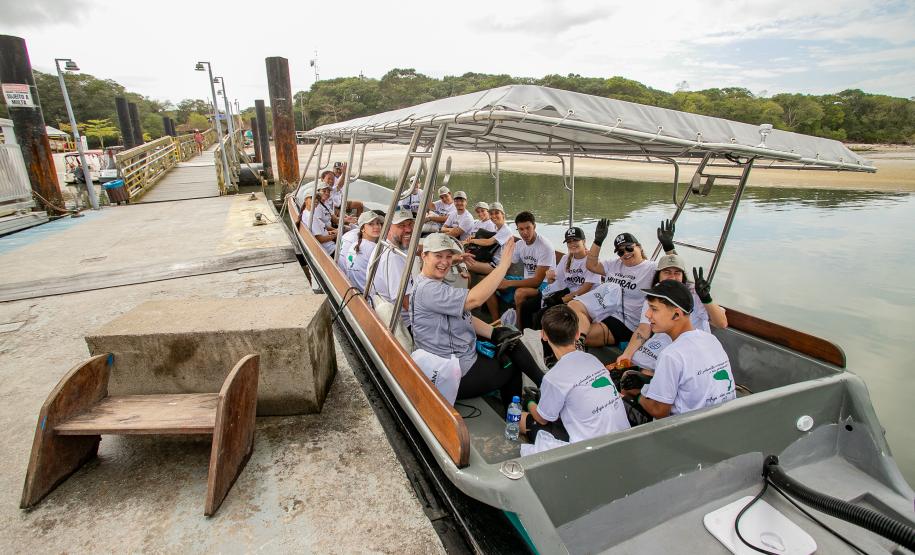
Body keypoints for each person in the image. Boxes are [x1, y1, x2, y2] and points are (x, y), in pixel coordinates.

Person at [410, 233, 544, 408]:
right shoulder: (428, 290)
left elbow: (465, 316)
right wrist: (502, 266)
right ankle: (516, 416)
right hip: (451, 372)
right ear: (424, 255)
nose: (444, 262)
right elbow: (474, 300)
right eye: (438, 256)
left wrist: (494, 332)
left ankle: (544, 384)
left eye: (448, 256)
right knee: (512, 366)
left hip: (456, 355)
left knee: (509, 339)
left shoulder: (430, 282)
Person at [519, 305, 630, 455]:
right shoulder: (593, 359)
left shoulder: (554, 377)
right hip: (623, 438)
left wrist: (529, 401)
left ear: (544, 335)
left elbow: (543, 419)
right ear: (577, 334)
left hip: (589, 450)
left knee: (519, 418)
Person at [620, 280, 736, 419]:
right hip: (722, 418)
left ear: (676, 314)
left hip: (686, 430)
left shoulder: (671, 355)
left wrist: (637, 394)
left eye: (654, 309)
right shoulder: (711, 339)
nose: (647, 314)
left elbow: (659, 411)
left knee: (617, 400)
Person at [569, 219, 676, 347]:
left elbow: (675, 269)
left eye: (629, 248)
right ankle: (578, 341)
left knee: (569, 334)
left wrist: (668, 247)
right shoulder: (614, 264)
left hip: (625, 322)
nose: (626, 253)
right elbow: (591, 265)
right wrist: (598, 241)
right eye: (621, 252)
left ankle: (579, 342)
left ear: (639, 247)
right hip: (604, 309)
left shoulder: (651, 269)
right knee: (572, 305)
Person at [617, 255, 728, 369]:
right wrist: (627, 355)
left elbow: (722, 323)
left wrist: (706, 298)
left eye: (677, 273)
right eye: (667, 272)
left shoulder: (696, 293)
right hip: (664, 340)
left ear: (682, 276)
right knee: (641, 365)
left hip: (692, 347)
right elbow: (643, 329)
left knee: (656, 370)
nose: (672, 277)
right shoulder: (655, 293)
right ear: (658, 275)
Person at [498, 211, 555, 330]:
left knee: (520, 293)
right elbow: (508, 264)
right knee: (493, 284)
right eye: (521, 229)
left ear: (534, 226)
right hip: (527, 280)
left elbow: (536, 282)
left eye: (528, 228)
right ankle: (498, 324)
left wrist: (508, 283)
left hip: (545, 284)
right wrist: (500, 276)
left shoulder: (544, 246)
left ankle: (519, 329)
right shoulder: (520, 244)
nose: (525, 232)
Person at [464, 202, 514, 321]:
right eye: (491, 213)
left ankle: (466, 303)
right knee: (476, 275)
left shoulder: (506, 230)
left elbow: (489, 242)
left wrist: (471, 242)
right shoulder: (498, 228)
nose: (493, 216)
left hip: (498, 266)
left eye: (497, 213)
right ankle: (489, 314)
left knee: (464, 264)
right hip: (493, 263)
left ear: (503, 214)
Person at [371, 208, 415, 325]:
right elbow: (407, 304)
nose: (409, 230)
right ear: (388, 227)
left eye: (410, 224)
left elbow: (412, 247)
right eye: (401, 225)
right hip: (407, 324)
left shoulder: (384, 245)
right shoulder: (393, 258)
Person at [345, 211, 383, 291]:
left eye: (378, 223)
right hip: (365, 296)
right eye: (371, 224)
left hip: (354, 290)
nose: (376, 227)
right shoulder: (374, 248)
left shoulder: (354, 244)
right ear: (362, 229)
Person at [300, 182, 338, 256]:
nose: (316, 200)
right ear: (305, 200)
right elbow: (319, 239)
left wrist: (330, 233)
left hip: (328, 245)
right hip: (331, 250)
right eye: (312, 197)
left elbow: (320, 232)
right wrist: (335, 236)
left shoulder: (306, 213)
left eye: (318, 198)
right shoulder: (311, 217)